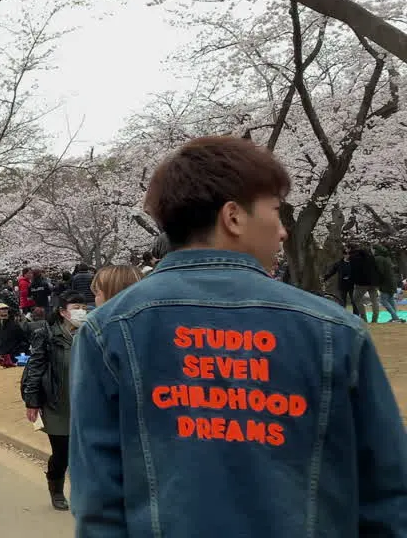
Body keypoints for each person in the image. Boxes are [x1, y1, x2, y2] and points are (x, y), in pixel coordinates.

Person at [71, 136, 407, 536]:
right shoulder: (334, 329)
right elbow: (387, 492)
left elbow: (98, 502)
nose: (283, 231)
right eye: (276, 212)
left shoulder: (107, 329)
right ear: (233, 217)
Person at [21, 290, 91, 511]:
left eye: (83, 308)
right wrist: (32, 401)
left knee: (86, 452)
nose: (81, 312)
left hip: (86, 404)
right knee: (62, 453)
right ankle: (56, 489)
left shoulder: (91, 333)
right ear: (62, 312)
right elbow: (35, 368)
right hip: (57, 404)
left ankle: (84, 493)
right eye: (75, 308)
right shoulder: (48, 335)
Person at [349, 244, 382, 322]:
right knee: (374, 300)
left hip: (361, 283)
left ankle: (363, 317)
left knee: (356, 298)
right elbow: (376, 268)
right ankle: (375, 319)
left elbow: (353, 271)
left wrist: (352, 280)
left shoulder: (354, 258)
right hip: (373, 282)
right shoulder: (371, 258)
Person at [375, 248, 404, 323]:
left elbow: (380, 271)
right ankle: (395, 318)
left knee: (383, 300)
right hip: (392, 282)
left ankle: (395, 317)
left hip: (386, 283)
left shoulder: (379, 259)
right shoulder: (388, 259)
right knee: (391, 300)